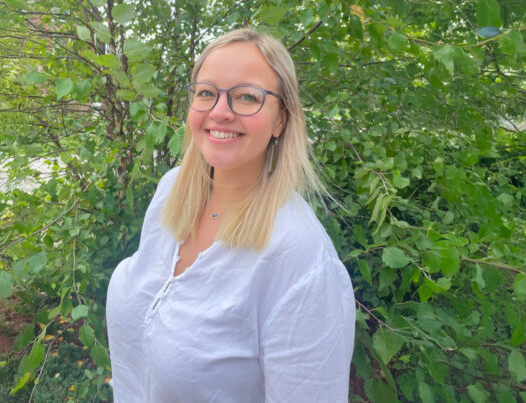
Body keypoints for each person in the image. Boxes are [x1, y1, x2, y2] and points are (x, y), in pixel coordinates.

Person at [106, 28, 355, 403]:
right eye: (206, 92)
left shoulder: (298, 254)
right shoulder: (171, 191)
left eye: (247, 97)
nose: (220, 112)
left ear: (281, 121)